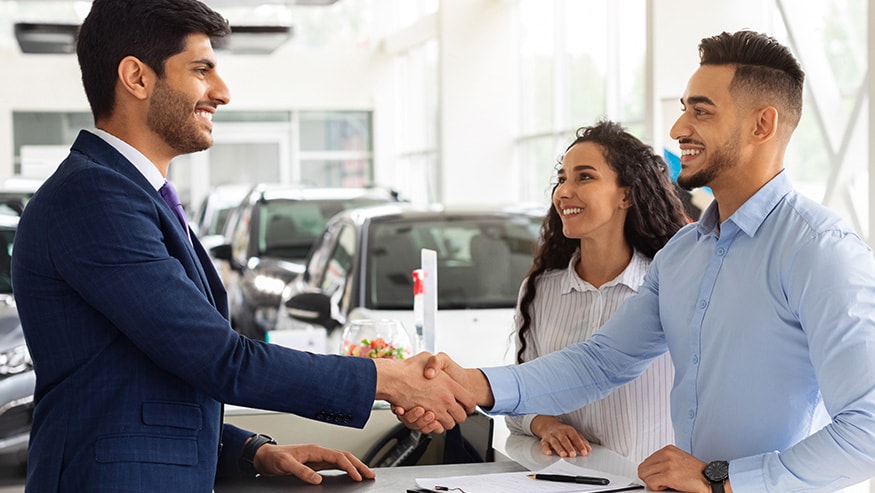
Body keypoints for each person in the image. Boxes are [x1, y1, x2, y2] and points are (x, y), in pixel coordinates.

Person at [10, 1, 473, 491]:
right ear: (136, 78)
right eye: (202, 69)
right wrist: (386, 377)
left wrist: (252, 450)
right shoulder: (95, 197)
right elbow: (218, 357)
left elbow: (137, 384)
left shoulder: (130, 193)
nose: (222, 92)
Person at [401, 30, 875, 492]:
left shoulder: (820, 250)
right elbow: (602, 361)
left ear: (761, 125)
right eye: (684, 108)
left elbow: (868, 429)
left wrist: (724, 480)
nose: (678, 129)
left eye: (701, 111)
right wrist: (472, 384)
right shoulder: (685, 253)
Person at [504, 120, 686, 463]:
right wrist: (546, 425)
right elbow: (519, 398)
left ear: (627, 195)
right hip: (564, 483)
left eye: (584, 177)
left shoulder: (672, 285)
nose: (563, 192)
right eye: (561, 179)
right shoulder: (541, 290)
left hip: (651, 485)